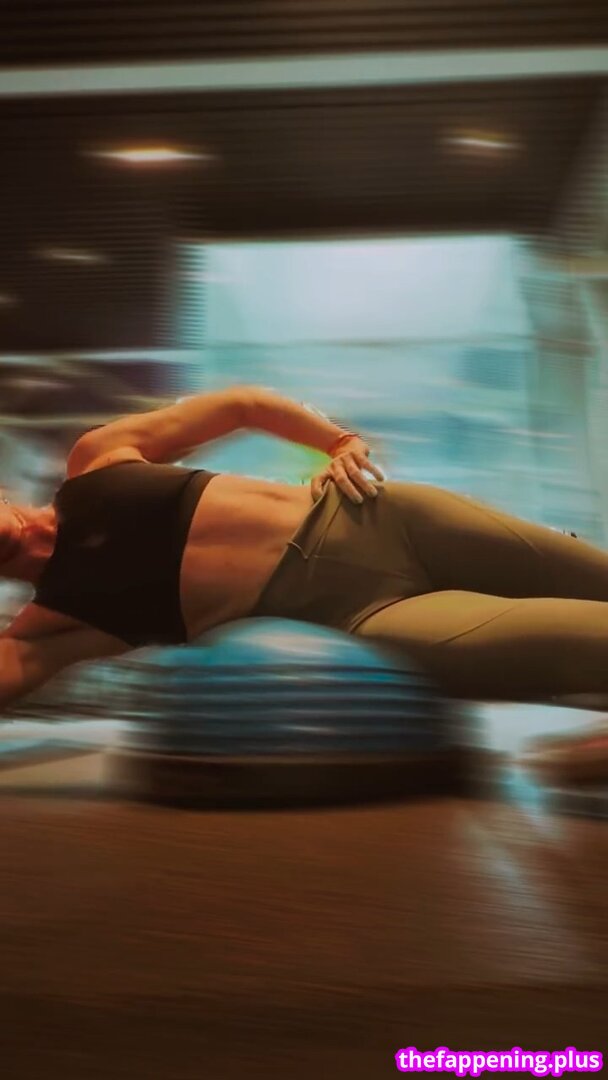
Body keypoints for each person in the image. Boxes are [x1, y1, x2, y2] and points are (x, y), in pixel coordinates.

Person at [3, 383, 608, 735]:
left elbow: (241, 405)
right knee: (589, 640)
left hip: (387, 517)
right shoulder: (51, 624)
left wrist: (339, 441)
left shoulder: (96, 459)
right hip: (368, 615)